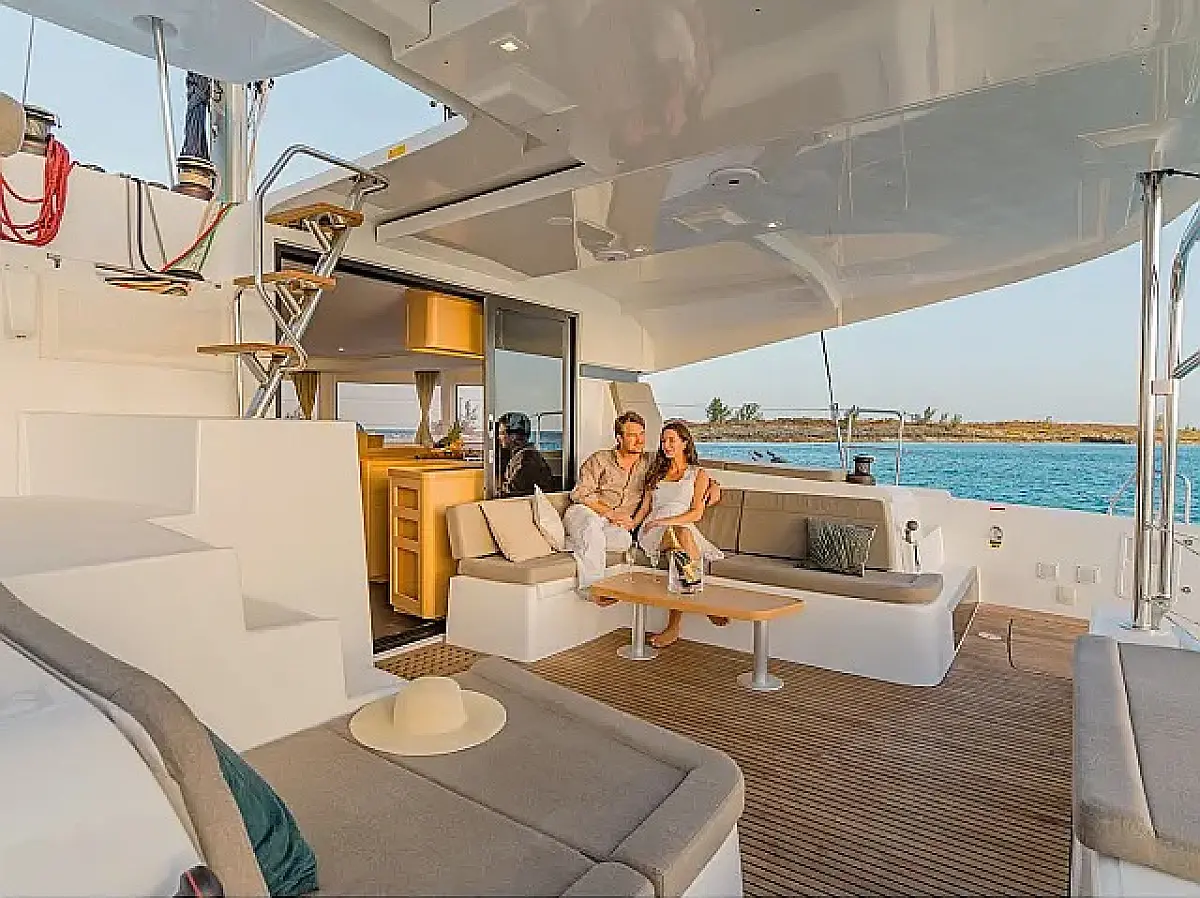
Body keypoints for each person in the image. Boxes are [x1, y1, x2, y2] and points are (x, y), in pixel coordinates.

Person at [566, 411, 721, 588]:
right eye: (632, 435)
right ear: (619, 438)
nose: (639, 440)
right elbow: (580, 494)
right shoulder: (599, 459)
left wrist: (714, 485)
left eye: (642, 434)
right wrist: (611, 513)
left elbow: (688, 473)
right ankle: (592, 587)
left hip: (617, 525)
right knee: (591, 528)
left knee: (623, 541)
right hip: (587, 512)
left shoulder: (650, 463)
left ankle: (573, 542)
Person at [634, 419, 727, 648]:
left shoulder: (698, 474)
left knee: (681, 540)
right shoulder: (655, 473)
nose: (666, 445)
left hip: (679, 526)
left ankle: (675, 625)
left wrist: (667, 521)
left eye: (671, 440)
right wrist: (630, 525)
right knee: (681, 538)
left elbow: (696, 513)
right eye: (663, 441)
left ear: (685, 443)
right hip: (653, 530)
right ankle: (701, 601)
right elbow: (645, 508)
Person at [496, 412, 554, 497]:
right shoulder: (522, 456)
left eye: (501, 433)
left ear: (513, 436)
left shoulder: (526, 459)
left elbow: (513, 492)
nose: (499, 437)